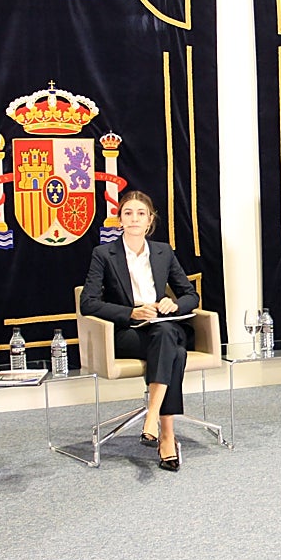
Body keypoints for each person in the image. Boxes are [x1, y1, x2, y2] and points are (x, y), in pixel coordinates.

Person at [80, 190, 198, 471]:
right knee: (176, 354)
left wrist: (173, 304)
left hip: (163, 325)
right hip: (129, 332)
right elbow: (88, 303)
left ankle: (153, 418)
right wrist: (130, 312)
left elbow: (191, 296)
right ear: (119, 219)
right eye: (128, 213)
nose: (134, 218)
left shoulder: (163, 252)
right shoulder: (103, 254)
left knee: (167, 334)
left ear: (150, 220)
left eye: (140, 213)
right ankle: (165, 433)